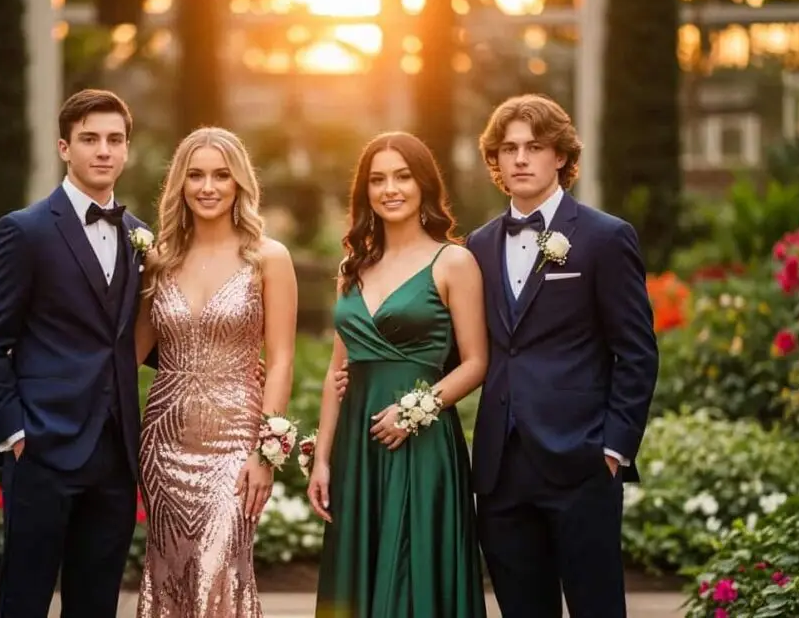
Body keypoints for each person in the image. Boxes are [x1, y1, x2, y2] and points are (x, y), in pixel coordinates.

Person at [468, 94, 659, 616]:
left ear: (560, 155)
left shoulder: (605, 237)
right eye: (509, 148)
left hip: (582, 463)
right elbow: (464, 349)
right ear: (495, 159)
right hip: (501, 472)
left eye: (534, 146)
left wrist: (614, 449)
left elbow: (637, 352)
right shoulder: (476, 246)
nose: (520, 158)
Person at [0, 89, 148, 617]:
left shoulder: (140, 236)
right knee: (24, 601)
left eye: (114, 139)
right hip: (42, 449)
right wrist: (15, 434)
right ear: (64, 148)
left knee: (96, 605)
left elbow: (137, 338)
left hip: (115, 454)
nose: (103, 150)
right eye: (89, 139)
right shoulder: (25, 230)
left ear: (127, 149)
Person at [308, 131, 489, 617]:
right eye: (378, 179)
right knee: (358, 578)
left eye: (403, 177)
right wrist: (322, 459)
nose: (390, 189)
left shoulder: (453, 261)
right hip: (357, 448)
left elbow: (476, 362)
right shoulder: (352, 268)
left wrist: (415, 411)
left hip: (422, 445)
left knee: (416, 574)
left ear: (423, 184)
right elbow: (335, 372)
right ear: (365, 190)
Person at [132, 127, 298, 617]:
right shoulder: (159, 259)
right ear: (180, 184)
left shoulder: (269, 258)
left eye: (221, 175)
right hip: (164, 440)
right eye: (196, 175)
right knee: (168, 575)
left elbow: (281, 360)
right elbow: (128, 354)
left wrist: (266, 452)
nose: (208, 187)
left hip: (235, 442)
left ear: (239, 182)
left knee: (220, 571)